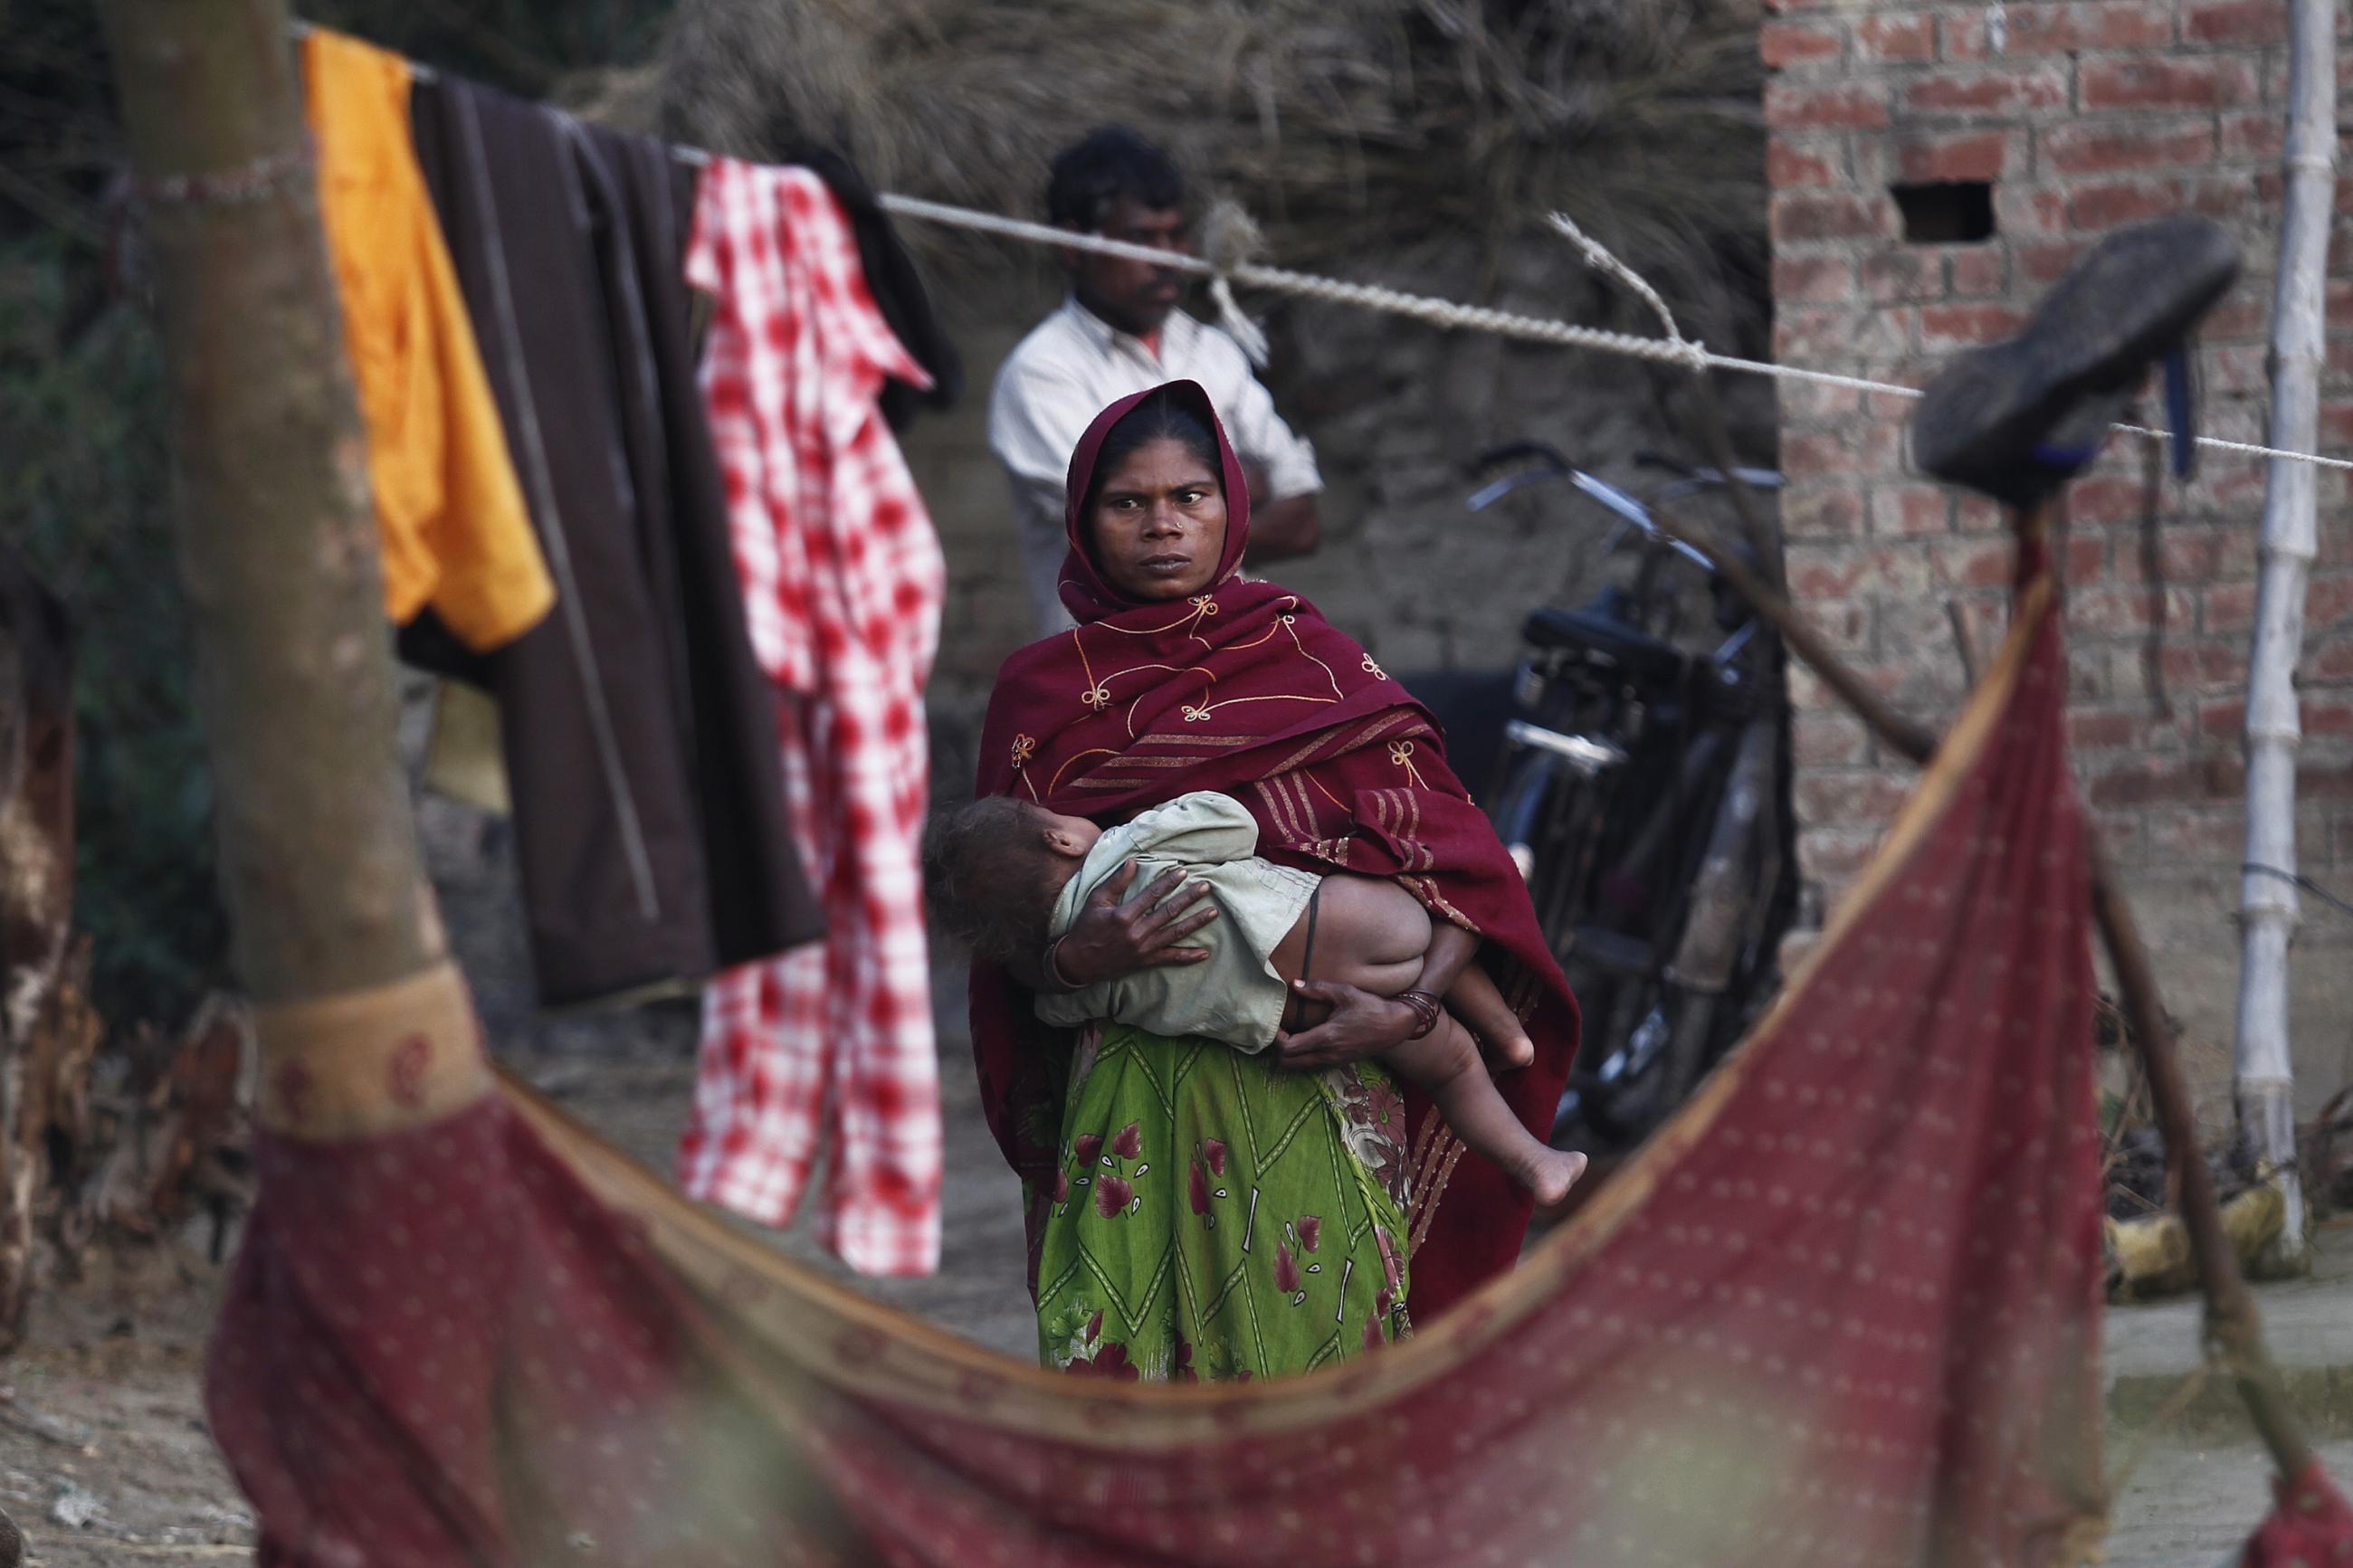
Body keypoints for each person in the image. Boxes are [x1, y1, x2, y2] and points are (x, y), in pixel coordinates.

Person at [967, 379, 1578, 1382]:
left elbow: (1458, 864)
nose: (1162, 526)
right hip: (1132, 1101)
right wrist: (1077, 952)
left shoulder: (1315, 661)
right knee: (1142, 1396)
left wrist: (1411, 1014)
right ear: (1082, 521)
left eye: (1190, 497)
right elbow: (999, 931)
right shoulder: (1038, 694)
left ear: (1231, 505)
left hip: (1316, 1079)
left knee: (1316, 1366)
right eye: (1127, 504)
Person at [927, 789, 1589, 1205]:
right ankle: (1506, 1022)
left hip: (1300, 1015)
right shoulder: (1125, 848)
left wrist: (1065, 962)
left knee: (1448, 1063)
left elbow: (1053, 1005)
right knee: (1435, 883)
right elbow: (1229, 822)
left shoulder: (1083, 970)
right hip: (1340, 922)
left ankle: (1536, 1162)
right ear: (1061, 837)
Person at [987, 126, 1324, 636]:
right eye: (1143, 239)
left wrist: (1176, 505)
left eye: (1176, 235)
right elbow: (1116, 543)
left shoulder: (1213, 351)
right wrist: (1238, 481)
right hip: (1107, 678)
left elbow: (1302, 523)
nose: (1167, 257)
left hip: (1229, 658)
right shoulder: (1041, 373)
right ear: (1074, 246)